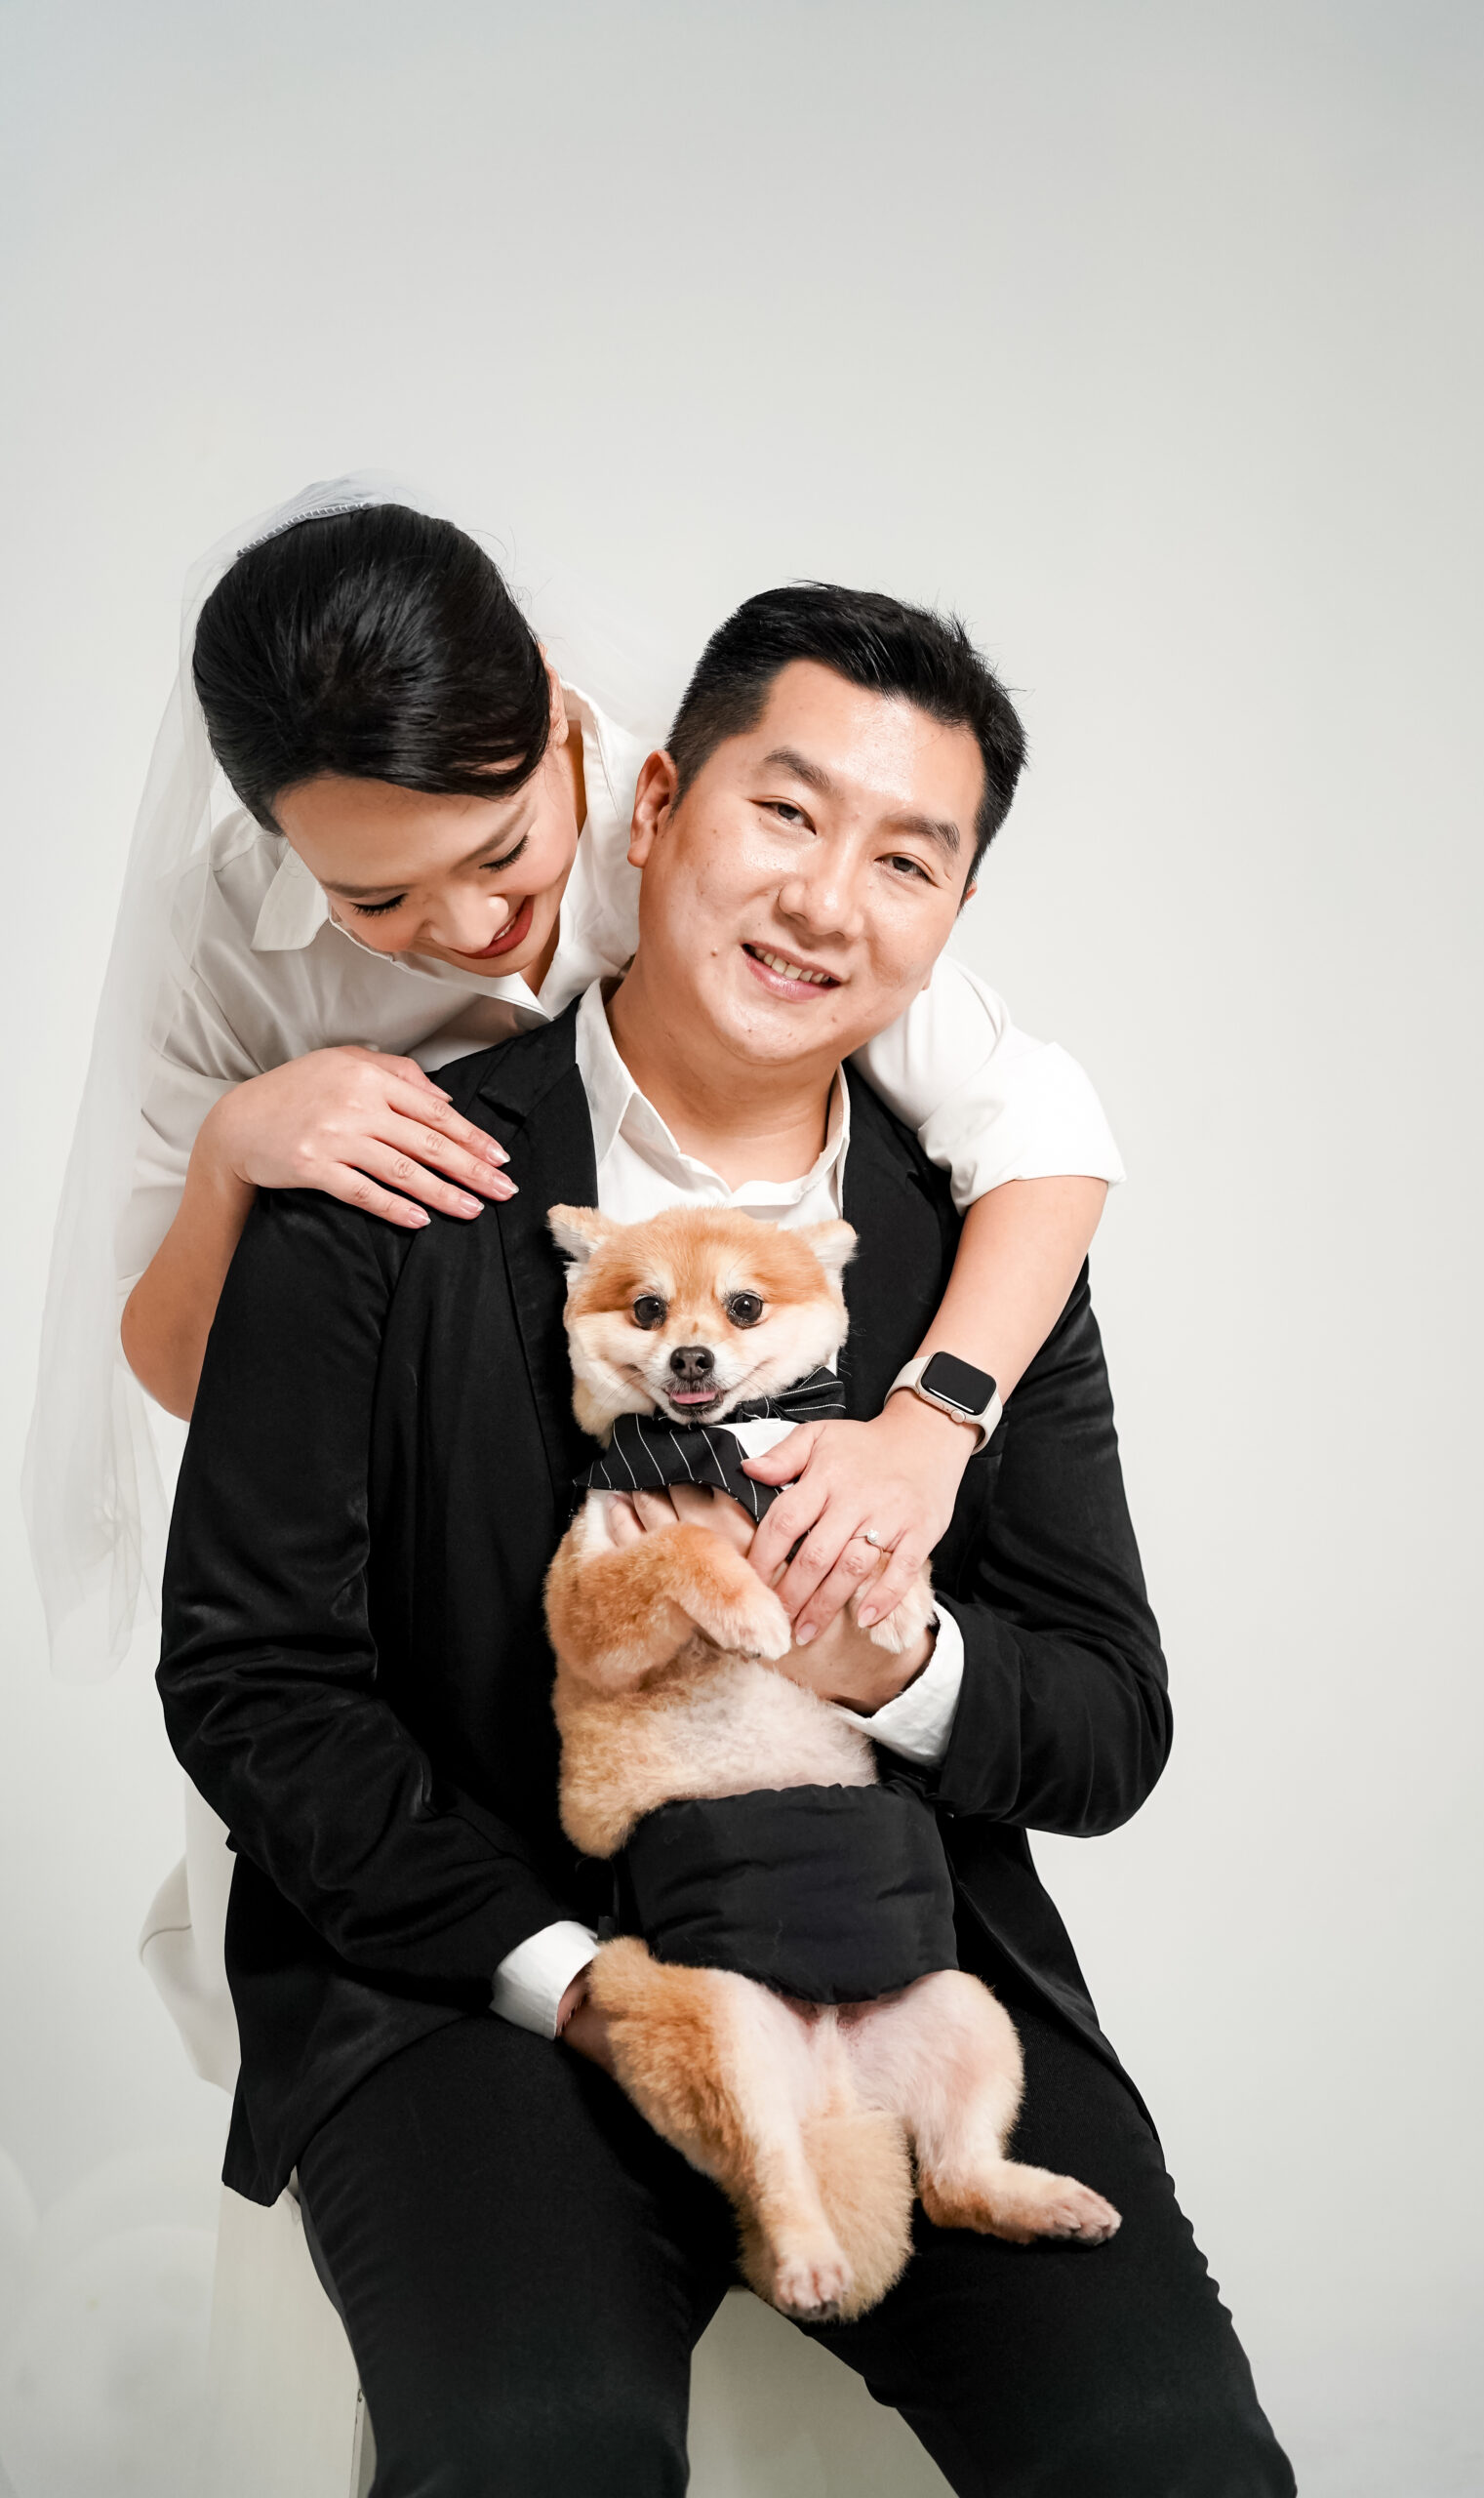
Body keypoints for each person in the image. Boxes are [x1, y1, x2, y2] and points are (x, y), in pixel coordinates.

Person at [158, 584, 1295, 2494]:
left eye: (905, 858)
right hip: (475, 1982)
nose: (826, 901)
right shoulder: (376, 1174)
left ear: (952, 914)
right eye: (785, 812)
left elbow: (1108, 1718)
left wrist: (901, 1661)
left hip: (887, 1959)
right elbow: (253, 1677)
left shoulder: (973, 1261)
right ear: (658, 803)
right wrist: (560, 1974)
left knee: (1169, 2458)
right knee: (536, 2457)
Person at [24, 477, 1116, 2080]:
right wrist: (233, 1157)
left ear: (566, 737)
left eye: (504, 853)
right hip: (422, 1528)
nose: (468, 925)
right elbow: (195, 1374)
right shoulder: (225, 946)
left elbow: (1042, 1135)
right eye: (375, 900)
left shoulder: (726, 840)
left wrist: (930, 1426)